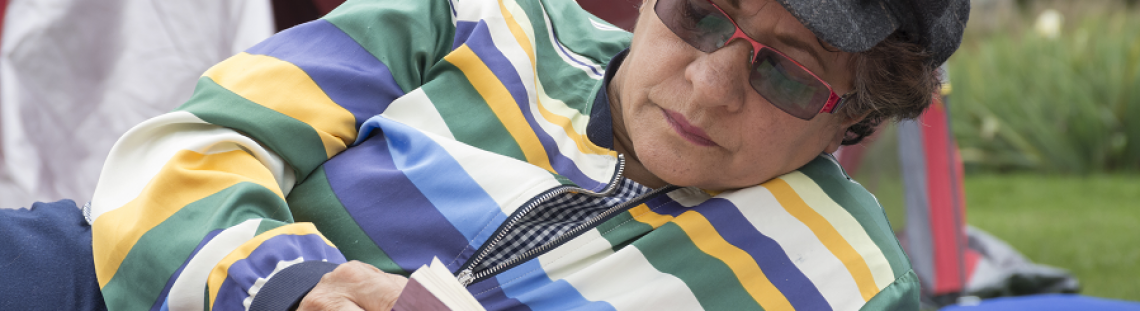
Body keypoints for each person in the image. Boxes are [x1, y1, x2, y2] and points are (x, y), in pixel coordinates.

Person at [85, 0, 968, 310]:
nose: (707, 86)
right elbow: (198, 142)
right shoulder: (474, 18)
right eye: (701, 12)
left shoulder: (850, 283)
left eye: (785, 74)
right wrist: (281, 284)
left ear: (853, 121)